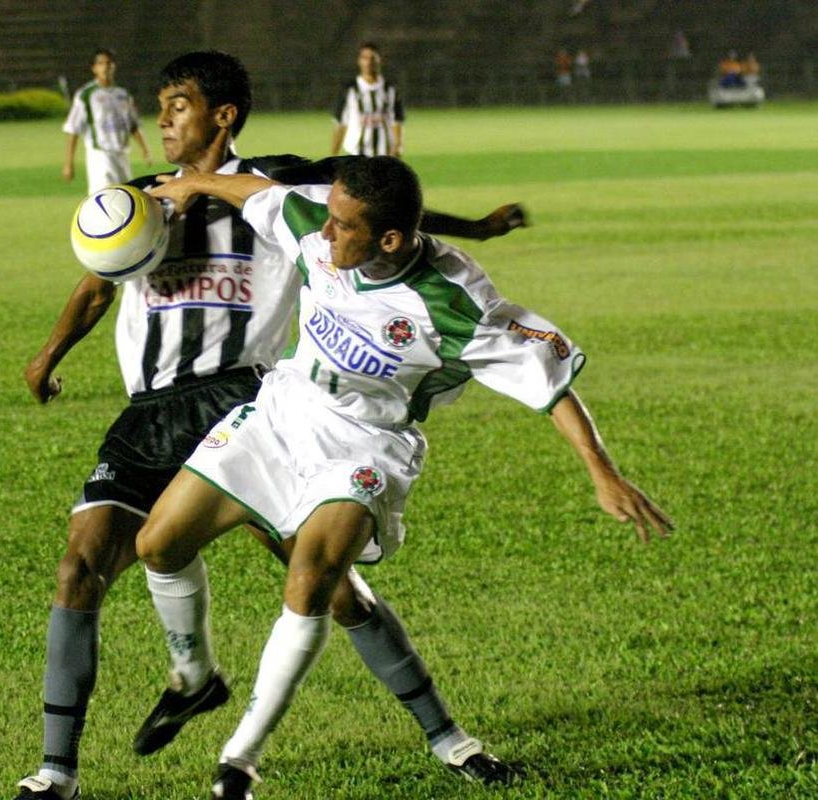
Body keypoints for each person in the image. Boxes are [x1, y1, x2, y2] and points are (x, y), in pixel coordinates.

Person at [16, 51, 528, 800]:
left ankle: (450, 740)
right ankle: (56, 774)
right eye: (160, 104)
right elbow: (98, 285)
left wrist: (473, 231)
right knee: (78, 568)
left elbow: (378, 210)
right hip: (148, 411)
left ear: (222, 115)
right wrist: (46, 354)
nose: (162, 118)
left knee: (328, 583)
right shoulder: (136, 197)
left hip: (244, 402)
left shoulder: (281, 183)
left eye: (178, 104)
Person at [138, 156, 673, 799]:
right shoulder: (316, 219)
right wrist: (197, 182)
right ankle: (196, 676)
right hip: (283, 412)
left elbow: (551, 384)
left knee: (311, 582)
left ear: (389, 239)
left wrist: (602, 472)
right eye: (328, 219)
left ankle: (238, 763)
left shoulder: (454, 303)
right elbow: (261, 194)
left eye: (343, 228)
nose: (325, 236)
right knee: (158, 544)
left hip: (367, 445)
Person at [62, 48, 152, 193]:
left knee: (126, 196)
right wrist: (68, 163)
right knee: (103, 198)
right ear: (94, 68)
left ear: (114, 66)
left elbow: (133, 126)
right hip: (100, 156)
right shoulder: (86, 95)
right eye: (101, 63)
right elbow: (73, 129)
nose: (106, 67)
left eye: (109, 63)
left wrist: (145, 150)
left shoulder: (122, 94)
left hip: (122, 155)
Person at [330, 43, 404, 157]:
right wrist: (333, 157)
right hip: (356, 154)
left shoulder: (389, 89)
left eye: (372, 58)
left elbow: (396, 120)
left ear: (379, 60)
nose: (369, 62)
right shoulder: (350, 90)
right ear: (359, 61)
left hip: (384, 154)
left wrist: (398, 145)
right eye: (365, 58)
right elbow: (340, 124)